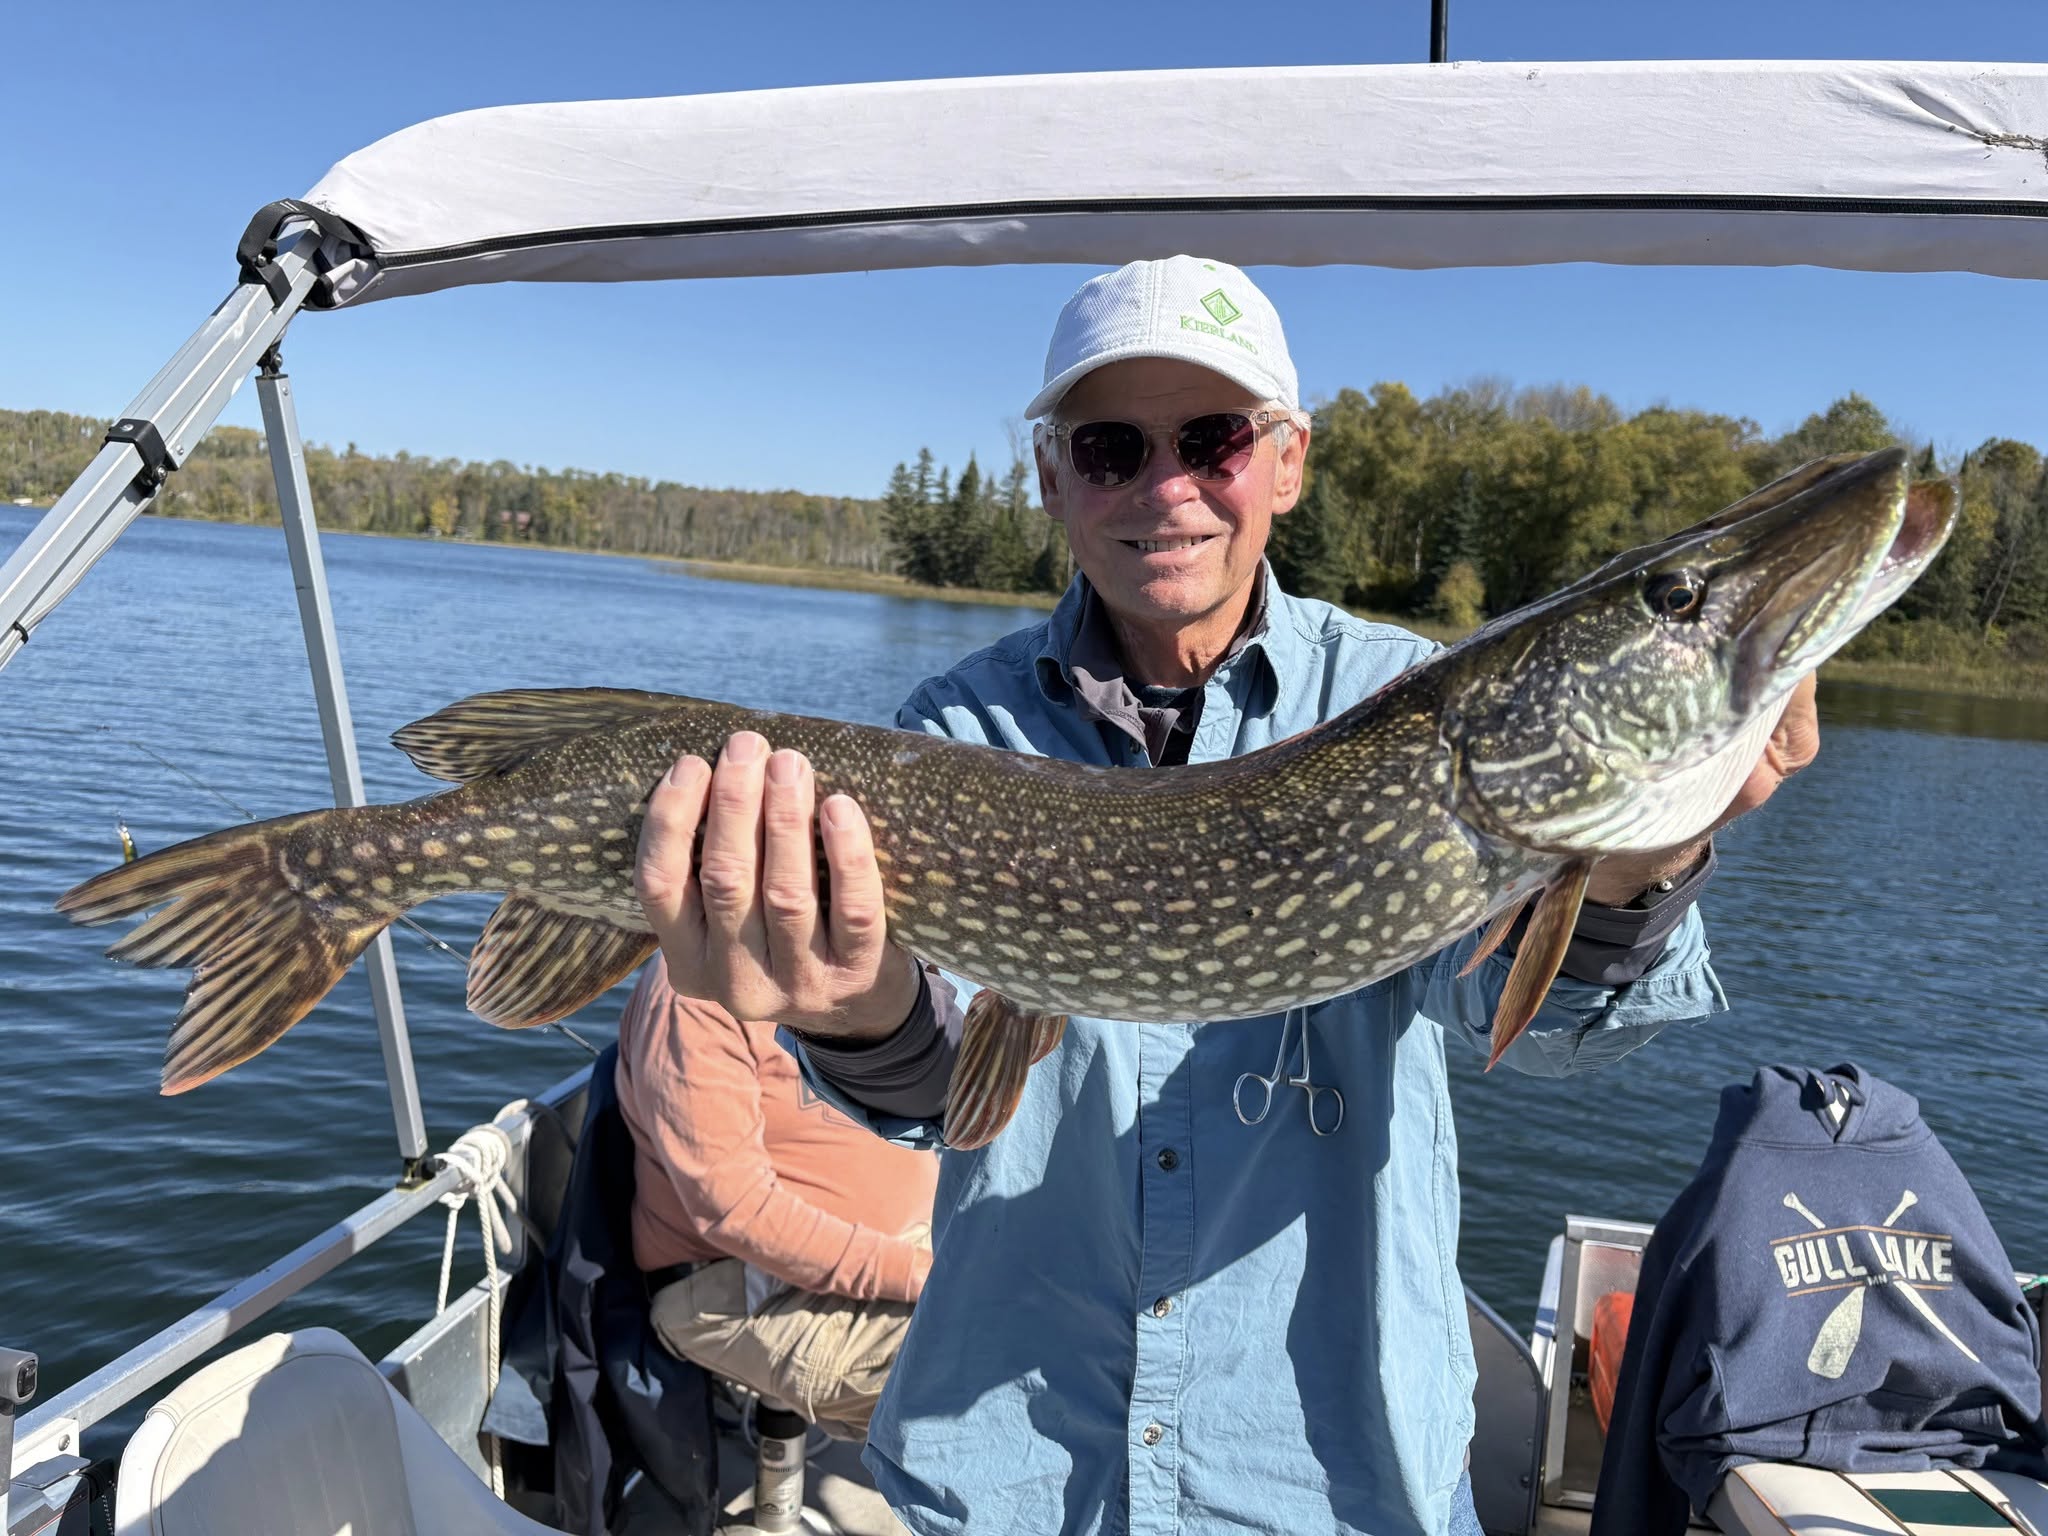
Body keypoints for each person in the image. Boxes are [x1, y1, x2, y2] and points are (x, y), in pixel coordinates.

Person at [632, 256, 1821, 1535]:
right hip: (1017, 1475)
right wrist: (852, 1011)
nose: (1167, 488)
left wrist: (1632, 865)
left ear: (1287, 463)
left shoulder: (1408, 703)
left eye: (1213, 439)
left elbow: (1540, 1041)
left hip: (1329, 1482)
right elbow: (938, 1098)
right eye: (1108, 448)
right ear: (1051, 476)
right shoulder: (958, 727)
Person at [613, 960, 937, 1442]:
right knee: (1001, 1374)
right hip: (741, 1289)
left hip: (913, 1248)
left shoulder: (865, 961)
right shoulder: (696, 988)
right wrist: (922, 1274)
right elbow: (735, 1209)